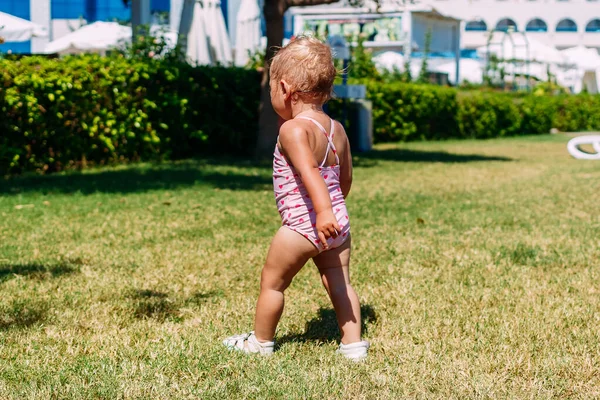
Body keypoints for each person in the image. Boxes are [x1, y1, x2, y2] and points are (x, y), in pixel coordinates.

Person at [223, 36, 369, 361]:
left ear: (285, 88)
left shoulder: (292, 130)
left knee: (272, 283)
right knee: (340, 283)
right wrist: (334, 213)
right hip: (337, 225)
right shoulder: (337, 129)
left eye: (272, 88)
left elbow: (309, 173)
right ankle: (353, 344)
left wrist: (321, 213)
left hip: (304, 225)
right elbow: (344, 178)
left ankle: (260, 343)